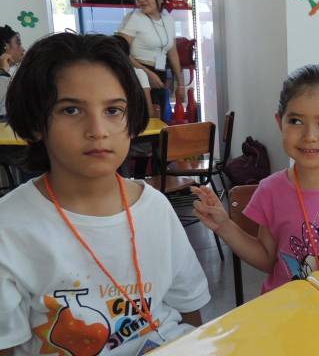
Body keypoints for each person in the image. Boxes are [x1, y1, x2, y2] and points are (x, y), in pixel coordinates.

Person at [0, 33, 210, 355]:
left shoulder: (155, 207)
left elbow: (190, 316)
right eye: (71, 110)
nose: (98, 130)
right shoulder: (9, 227)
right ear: (37, 123)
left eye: (113, 110)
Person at [192, 64, 319, 293]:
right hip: (286, 305)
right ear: (280, 123)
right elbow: (267, 259)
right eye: (296, 121)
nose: (310, 136)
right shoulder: (270, 190)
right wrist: (224, 226)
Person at [117, 0, 186, 110]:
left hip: (160, 73)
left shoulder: (167, 18)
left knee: (160, 117)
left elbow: (172, 53)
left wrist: (181, 84)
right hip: (138, 73)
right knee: (146, 117)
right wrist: (147, 73)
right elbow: (120, 50)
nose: (141, 0)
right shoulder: (134, 18)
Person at [0, 25, 24, 118]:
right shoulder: (4, 75)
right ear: (5, 46)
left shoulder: (14, 72)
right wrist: (3, 72)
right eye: (18, 43)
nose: (23, 49)